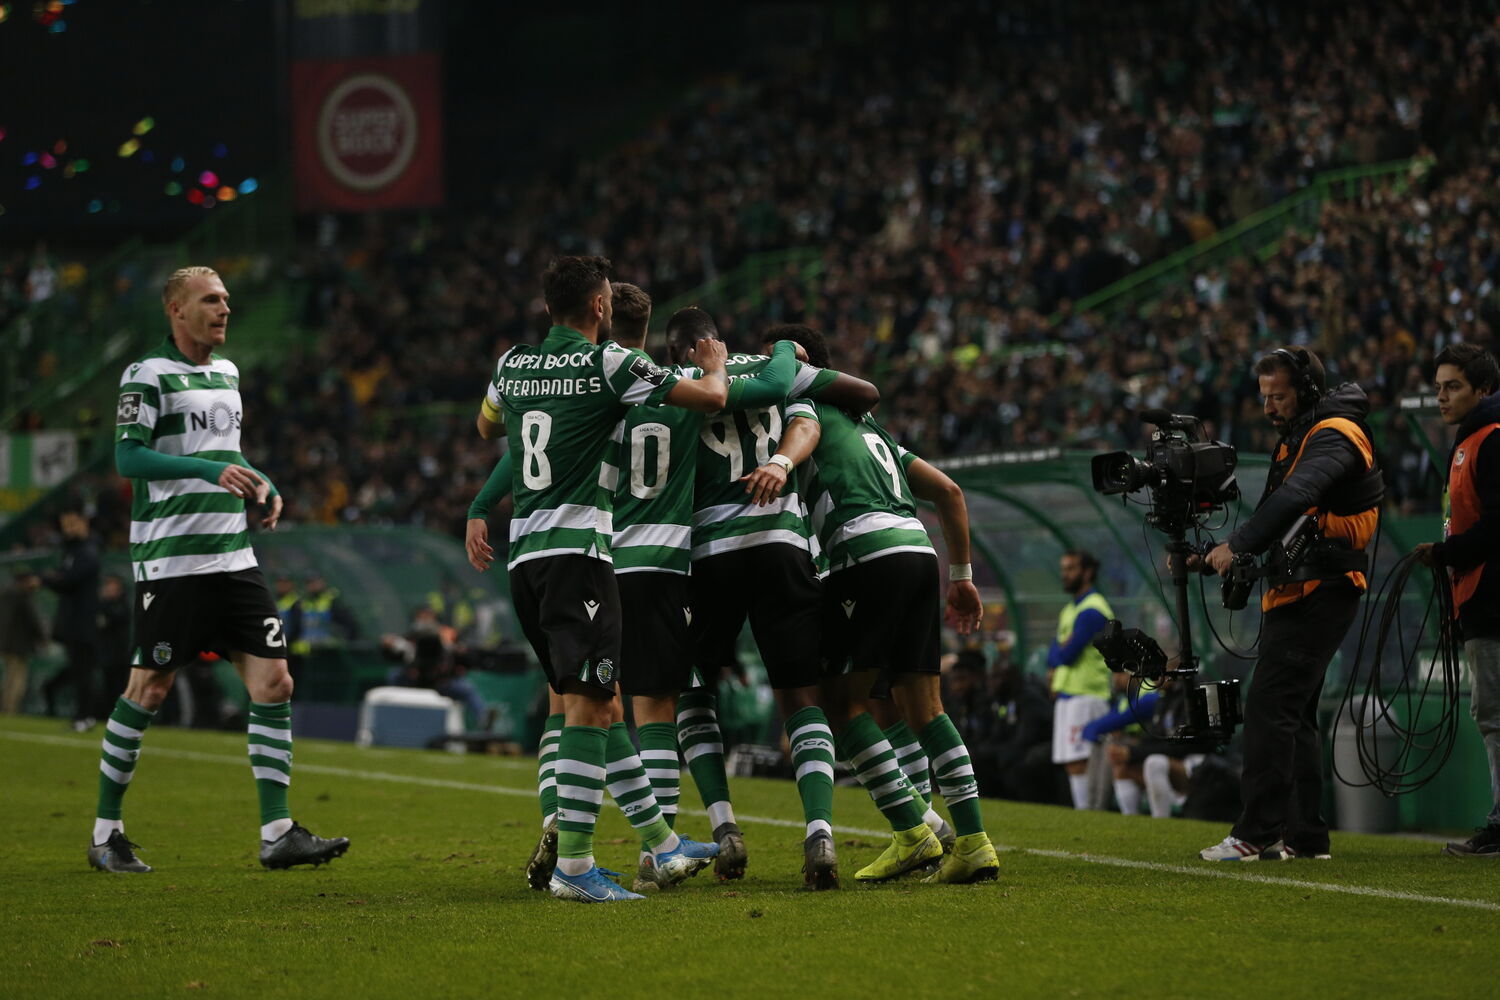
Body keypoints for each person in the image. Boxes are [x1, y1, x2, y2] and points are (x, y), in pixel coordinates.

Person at [474, 256, 731, 903]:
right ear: (598, 307)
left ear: (547, 306)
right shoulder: (611, 363)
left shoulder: (512, 363)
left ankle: (662, 844)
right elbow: (711, 399)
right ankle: (575, 865)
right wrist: (716, 363)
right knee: (590, 706)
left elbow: (487, 426)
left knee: (597, 700)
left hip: (526, 560)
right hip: (578, 556)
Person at [88, 265, 348, 874]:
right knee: (149, 689)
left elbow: (227, 454)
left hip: (233, 557)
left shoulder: (227, 374)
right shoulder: (146, 374)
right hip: (173, 561)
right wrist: (210, 472)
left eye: (226, 299)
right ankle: (105, 832)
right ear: (176, 310)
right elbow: (128, 457)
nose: (224, 308)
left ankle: (278, 833)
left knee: (275, 683)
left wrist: (262, 481)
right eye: (210, 300)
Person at [765, 323, 998, 884]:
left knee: (837, 704)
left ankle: (914, 832)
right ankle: (973, 843)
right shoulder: (875, 431)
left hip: (864, 556)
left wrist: (780, 463)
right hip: (918, 553)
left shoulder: (805, 410)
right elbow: (949, 492)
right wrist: (962, 578)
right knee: (923, 707)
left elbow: (802, 440)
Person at [668, 307, 880, 890]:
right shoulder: (772, 369)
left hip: (709, 551)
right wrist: (782, 462)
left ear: (677, 350)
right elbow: (817, 419)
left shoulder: (675, 383)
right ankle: (821, 834)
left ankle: (724, 828)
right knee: (800, 695)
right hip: (782, 543)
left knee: (693, 691)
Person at [1198, 347, 1382, 861]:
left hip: (1321, 589)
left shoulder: (1335, 433)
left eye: (1278, 396)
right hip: (1303, 589)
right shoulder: (1301, 436)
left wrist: (1238, 543)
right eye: (1264, 397)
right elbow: (1277, 514)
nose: (1268, 407)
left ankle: (1256, 834)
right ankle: (1305, 837)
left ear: (1307, 390)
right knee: (1295, 714)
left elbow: (1297, 496)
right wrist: (1209, 555)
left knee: (1270, 706)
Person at [1415, 343, 1500, 858]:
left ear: (1483, 390)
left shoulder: (1491, 439)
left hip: (1492, 597)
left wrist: (1446, 554)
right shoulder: (1472, 438)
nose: (1442, 397)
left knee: (1494, 713)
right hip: (1477, 596)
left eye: (1453, 387)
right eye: (1438, 387)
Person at [1047, 550, 1114, 810]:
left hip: (1087, 695)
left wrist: (1060, 651)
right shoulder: (1071, 609)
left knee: (1082, 761)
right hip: (1069, 694)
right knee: (1071, 762)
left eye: (1071, 568)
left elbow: (1066, 654)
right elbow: (1054, 651)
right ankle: (1085, 813)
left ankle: (1090, 813)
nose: (1065, 574)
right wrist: (1059, 651)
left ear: (1087, 572)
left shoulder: (1092, 610)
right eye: (1063, 569)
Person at [41, 509, 101, 730]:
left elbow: (68, 580)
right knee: (78, 671)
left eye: (73, 523)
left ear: (84, 523)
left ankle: (85, 716)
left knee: (83, 672)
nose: (68, 528)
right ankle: (83, 716)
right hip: (74, 623)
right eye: (65, 524)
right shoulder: (73, 551)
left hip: (83, 623)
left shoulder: (87, 551)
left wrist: (46, 579)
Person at [381, 606, 489, 726]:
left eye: (428, 616)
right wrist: (389, 646)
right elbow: (394, 655)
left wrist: (458, 650)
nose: (425, 620)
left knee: (466, 689)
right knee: (394, 676)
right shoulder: (409, 638)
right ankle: (390, 717)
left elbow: (464, 657)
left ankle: (483, 719)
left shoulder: (447, 635)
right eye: (422, 616)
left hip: (441, 682)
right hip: (414, 680)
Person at [1, 567, 46, 714]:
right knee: (17, 679)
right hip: (18, 645)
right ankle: (10, 708)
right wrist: (43, 638)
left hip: (6, 643)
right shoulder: (22, 595)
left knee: (9, 677)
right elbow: (34, 620)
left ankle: (7, 707)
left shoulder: (7, 593)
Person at [93, 573, 132, 721]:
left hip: (120, 654)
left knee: (120, 686)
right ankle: (104, 713)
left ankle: (119, 714)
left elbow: (118, 617)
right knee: (107, 685)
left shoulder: (122, 605)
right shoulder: (103, 605)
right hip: (105, 653)